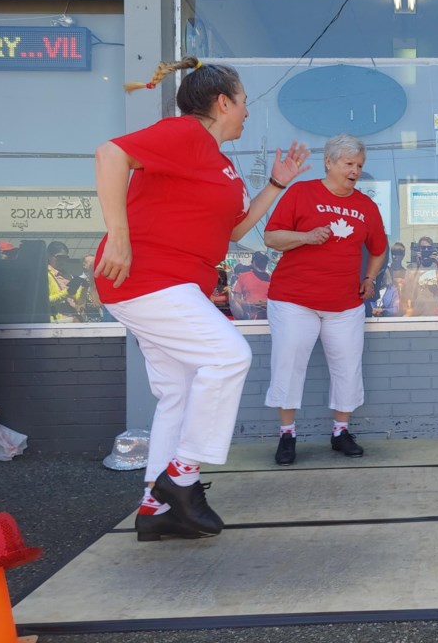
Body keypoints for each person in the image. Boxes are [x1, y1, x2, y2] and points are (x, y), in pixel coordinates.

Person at [94, 56, 311, 542]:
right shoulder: (186, 133)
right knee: (230, 355)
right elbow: (110, 154)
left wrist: (277, 184)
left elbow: (232, 230)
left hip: (173, 284)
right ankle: (182, 479)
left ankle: (156, 507)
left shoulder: (220, 163)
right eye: (244, 103)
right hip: (146, 276)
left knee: (179, 390)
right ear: (222, 102)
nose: (247, 114)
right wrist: (119, 237)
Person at [263, 133, 387, 465]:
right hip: (294, 299)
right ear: (329, 162)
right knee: (288, 363)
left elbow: (378, 248)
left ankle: (340, 431)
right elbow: (271, 236)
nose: (355, 171)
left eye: (359, 165)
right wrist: (305, 237)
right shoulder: (301, 193)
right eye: (348, 163)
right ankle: (287, 435)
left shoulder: (366, 206)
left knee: (347, 366)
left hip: (345, 303)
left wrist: (370, 278)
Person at [401, 236, 438, 316]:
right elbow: (408, 291)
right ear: (419, 250)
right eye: (423, 248)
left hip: (436, 313)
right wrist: (418, 267)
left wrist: (437, 264)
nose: (426, 250)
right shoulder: (412, 268)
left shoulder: (437, 267)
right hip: (416, 314)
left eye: (428, 248)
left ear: (432, 250)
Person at [46, 241, 80, 323]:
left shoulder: (68, 275)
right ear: (49, 256)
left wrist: (84, 290)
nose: (63, 261)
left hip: (74, 317)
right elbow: (44, 301)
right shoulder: (45, 275)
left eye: (65, 258)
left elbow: (77, 299)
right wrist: (67, 293)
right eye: (59, 257)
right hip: (57, 320)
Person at [232, 250, 271, 320]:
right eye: (260, 261)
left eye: (264, 261)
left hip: (270, 315)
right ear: (253, 262)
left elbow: (278, 299)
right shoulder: (243, 276)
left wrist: (267, 304)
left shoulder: (272, 278)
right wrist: (249, 304)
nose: (262, 264)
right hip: (250, 317)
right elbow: (236, 299)